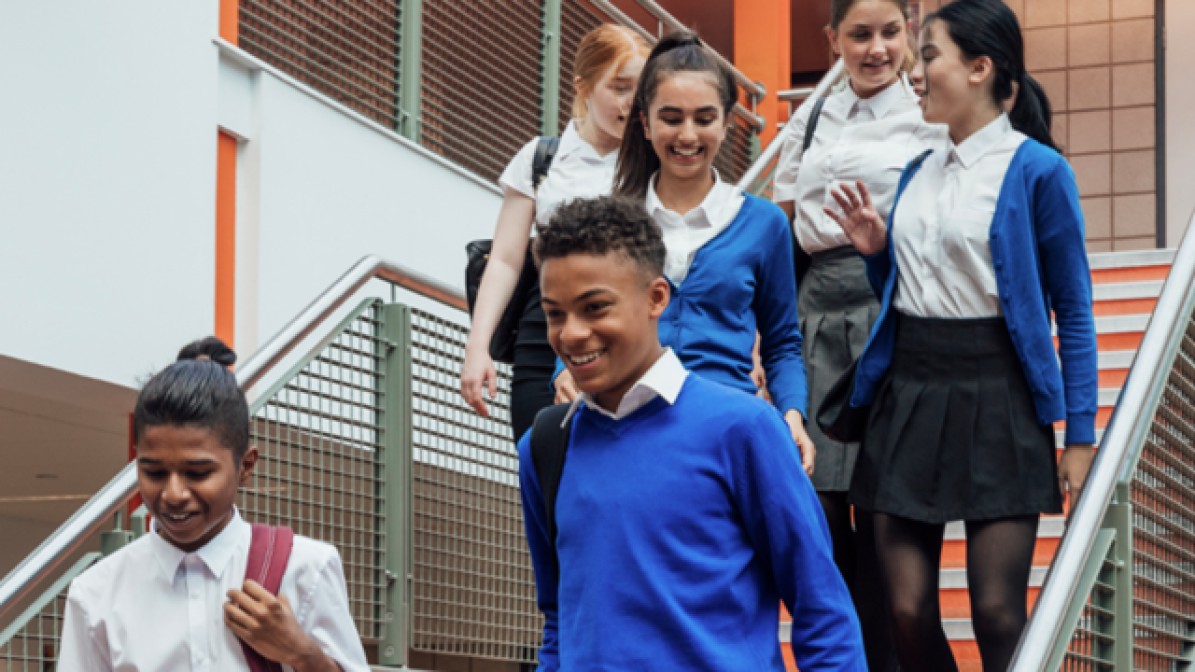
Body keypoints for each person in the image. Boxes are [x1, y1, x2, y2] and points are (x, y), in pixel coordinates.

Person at [827, 1, 1097, 669]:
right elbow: (921, 282)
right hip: (909, 392)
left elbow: (1075, 309)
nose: (913, 73)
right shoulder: (921, 167)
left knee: (998, 612)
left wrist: (1080, 435)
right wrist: (875, 252)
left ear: (979, 68)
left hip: (997, 393)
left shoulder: (1036, 171)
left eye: (928, 56)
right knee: (905, 611)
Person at [521, 195, 866, 671]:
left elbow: (821, 609)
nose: (571, 333)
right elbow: (559, 617)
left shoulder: (743, 429)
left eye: (595, 307)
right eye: (555, 313)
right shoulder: (544, 446)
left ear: (657, 298)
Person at [553, 31, 816, 468]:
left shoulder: (765, 224)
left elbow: (782, 341)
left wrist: (791, 413)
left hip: (724, 434)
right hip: (623, 424)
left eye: (704, 118)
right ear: (645, 122)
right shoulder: (610, 222)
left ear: (727, 122)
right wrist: (561, 372)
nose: (687, 135)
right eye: (671, 118)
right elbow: (578, 319)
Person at [772, 1, 942, 668]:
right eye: (859, 35)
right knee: (822, 511)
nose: (876, 49)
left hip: (890, 305)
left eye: (890, 33)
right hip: (814, 308)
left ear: (910, 32)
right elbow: (785, 226)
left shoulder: (929, 112)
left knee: (883, 518)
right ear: (831, 39)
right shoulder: (810, 116)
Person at [59, 338, 370, 672]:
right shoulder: (96, 593)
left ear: (246, 467)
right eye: (154, 472)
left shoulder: (306, 567)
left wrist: (303, 655)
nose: (173, 493)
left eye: (198, 473)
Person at [461, 24, 650, 441]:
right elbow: (506, 259)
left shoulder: (654, 165)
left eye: (642, 89)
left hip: (623, 335)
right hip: (542, 333)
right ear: (583, 87)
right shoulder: (541, 158)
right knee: (542, 470)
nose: (632, 102)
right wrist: (477, 347)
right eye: (619, 87)